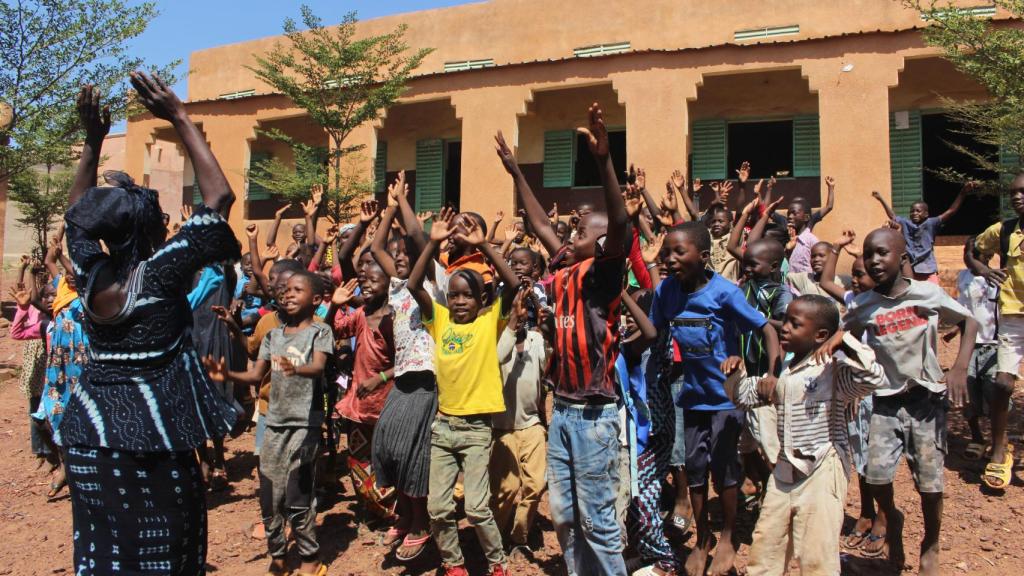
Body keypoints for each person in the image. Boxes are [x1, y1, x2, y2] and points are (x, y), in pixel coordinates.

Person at [59, 75, 241, 575]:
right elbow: (219, 199)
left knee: (108, 555)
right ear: (147, 227)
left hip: (90, 436)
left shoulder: (90, 273)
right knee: (166, 555)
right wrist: (180, 116)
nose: (167, 222)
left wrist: (93, 143)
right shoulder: (160, 275)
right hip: (153, 438)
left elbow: (77, 217)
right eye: (160, 216)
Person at [496, 102, 632, 576]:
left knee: (597, 519)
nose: (569, 232)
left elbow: (619, 226)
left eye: (579, 230)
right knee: (569, 517)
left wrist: (604, 161)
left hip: (595, 416)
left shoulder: (603, 276)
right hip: (564, 412)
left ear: (601, 244)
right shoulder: (565, 269)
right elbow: (537, 224)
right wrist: (516, 170)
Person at [843, 228, 978, 575]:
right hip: (885, 402)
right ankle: (893, 518)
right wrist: (854, 380)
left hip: (926, 402)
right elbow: (847, 340)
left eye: (882, 253)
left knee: (931, 486)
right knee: (874, 479)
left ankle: (931, 541)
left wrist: (959, 367)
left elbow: (969, 320)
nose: (874, 261)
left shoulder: (927, 294)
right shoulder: (864, 305)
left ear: (902, 257)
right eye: (869, 253)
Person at [649, 222, 780, 576]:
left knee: (724, 472)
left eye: (680, 252)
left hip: (725, 398)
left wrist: (771, 373)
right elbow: (652, 329)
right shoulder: (667, 293)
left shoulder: (725, 294)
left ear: (704, 257)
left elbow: (766, 328)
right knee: (694, 472)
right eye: (667, 252)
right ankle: (702, 538)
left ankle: (726, 538)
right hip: (691, 398)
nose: (671, 259)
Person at [724, 295, 888, 575]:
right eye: (785, 320)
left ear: (820, 335)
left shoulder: (834, 372)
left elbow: (874, 377)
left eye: (795, 324)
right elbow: (743, 397)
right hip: (785, 472)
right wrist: (735, 373)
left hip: (822, 471)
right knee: (765, 548)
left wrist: (844, 339)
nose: (784, 328)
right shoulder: (785, 374)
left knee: (817, 555)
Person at [406, 208, 522, 576]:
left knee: (476, 508)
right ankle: (454, 564)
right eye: (453, 296)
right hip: (444, 428)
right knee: (438, 509)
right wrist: (433, 243)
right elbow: (413, 286)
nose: (458, 302)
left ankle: (496, 562)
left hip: (475, 431)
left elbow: (513, 285)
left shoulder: (491, 323)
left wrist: (484, 245)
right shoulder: (439, 320)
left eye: (467, 297)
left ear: (480, 299)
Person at [206, 271, 332, 576]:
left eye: (297, 290)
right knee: (269, 496)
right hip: (274, 423)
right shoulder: (274, 336)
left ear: (315, 299)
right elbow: (255, 375)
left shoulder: (320, 331)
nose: (288, 294)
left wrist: (295, 368)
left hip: (304, 426)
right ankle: (277, 555)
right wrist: (229, 376)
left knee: (298, 495)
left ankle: (309, 558)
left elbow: (317, 367)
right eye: (285, 290)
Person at [368, 172, 436, 561]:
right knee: (387, 446)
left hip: (428, 380)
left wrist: (407, 208)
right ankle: (406, 512)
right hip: (403, 377)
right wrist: (390, 205)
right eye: (397, 255)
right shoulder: (396, 285)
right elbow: (377, 244)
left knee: (415, 455)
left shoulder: (431, 283)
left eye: (404, 253)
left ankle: (420, 521)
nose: (397, 256)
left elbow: (420, 240)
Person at [816, 229, 886, 554]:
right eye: (854, 274)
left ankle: (882, 518)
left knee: (875, 458)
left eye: (861, 275)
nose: (854, 280)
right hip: (853, 393)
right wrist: (838, 247)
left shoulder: (882, 308)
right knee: (859, 455)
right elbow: (827, 280)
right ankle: (866, 512)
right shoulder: (854, 302)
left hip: (873, 393)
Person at [967, 177, 1024, 490]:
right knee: (1002, 384)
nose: (1018, 197)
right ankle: (999, 449)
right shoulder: (1003, 231)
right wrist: (984, 269)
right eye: (1014, 192)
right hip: (1013, 318)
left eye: (1023, 192)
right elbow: (972, 249)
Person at [489, 278, 549, 557]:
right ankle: (495, 536)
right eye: (517, 308)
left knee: (535, 485)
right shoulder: (497, 339)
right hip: (503, 427)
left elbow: (544, 377)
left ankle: (519, 536)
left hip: (531, 424)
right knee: (506, 489)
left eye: (528, 308)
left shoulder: (537, 340)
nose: (524, 313)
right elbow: (498, 358)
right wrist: (512, 323)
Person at [736, 238, 791, 505]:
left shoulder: (779, 293)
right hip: (745, 374)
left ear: (773, 266)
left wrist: (773, 372)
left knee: (769, 441)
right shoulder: (745, 287)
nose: (746, 268)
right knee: (744, 441)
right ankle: (757, 485)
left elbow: (785, 326)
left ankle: (782, 495)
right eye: (744, 263)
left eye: (753, 264)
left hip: (765, 373)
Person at [870, 183, 972, 283]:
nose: (914, 213)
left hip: (927, 269)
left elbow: (951, 211)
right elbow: (892, 216)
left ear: (926, 214)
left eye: (918, 211)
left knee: (932, 295)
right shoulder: (905, 223)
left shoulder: (931, 223)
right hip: (911, 270)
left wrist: (962, 193)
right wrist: (881, 199)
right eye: (912, 211)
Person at [956, 239, 1000, 465]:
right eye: (966, 252)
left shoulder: (997, 278)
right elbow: (962, 309)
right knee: (968, 391)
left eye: (974, 253)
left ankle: (998, 441)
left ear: (988, 256)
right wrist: (956, 332)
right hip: (970, 344)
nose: (968, 256)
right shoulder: (962, 277)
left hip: (993, 343)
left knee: (994, 393)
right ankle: (977, 436)